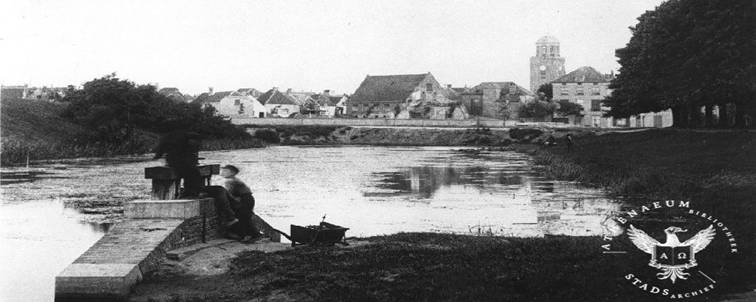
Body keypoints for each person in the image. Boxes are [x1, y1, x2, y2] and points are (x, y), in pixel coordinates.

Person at [153, 131, 238, 227]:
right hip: (196, 191)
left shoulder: (181, 161)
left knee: (221, 191)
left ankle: (233, 215)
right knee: (220, 190)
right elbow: (193, 180)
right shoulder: (186, 165)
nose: (198, 145)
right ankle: (231, 216)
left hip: (194, 189)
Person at [220, 165, 262, 243]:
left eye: (226, 171)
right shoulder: (236, 180)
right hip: (249, 198)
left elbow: (230, 194)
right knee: (246, 217)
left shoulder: (230, 181)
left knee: (242, 217)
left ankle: (251, 235)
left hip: (244, 199)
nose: (223, 173)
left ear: (232, 173)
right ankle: (252, 235)